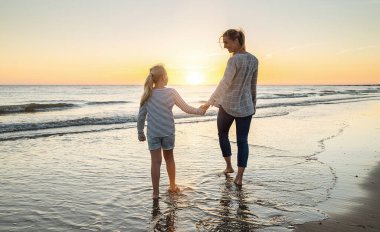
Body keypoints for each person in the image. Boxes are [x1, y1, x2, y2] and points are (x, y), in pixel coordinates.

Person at [137, 64, 206, 199]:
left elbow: (141, 116)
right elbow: (186, 108)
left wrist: (140, 132)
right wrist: (200, 111)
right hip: (168, 132)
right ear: (163, 77)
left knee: (155, 162)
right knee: (169, 159)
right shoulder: (171, 92)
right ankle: (172, 186)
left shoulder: (148, 94)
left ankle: (155, 193)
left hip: (153, 134)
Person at [201, 29, 259, 186]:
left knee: (222, 134)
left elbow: (224, 83)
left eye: (226, 42)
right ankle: (239, 178)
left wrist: (209, 102)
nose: (225, 46)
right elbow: (252, 86)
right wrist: (253, 105)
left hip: (227, 105)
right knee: (243, 141)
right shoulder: (254, 60)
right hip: (246, 106)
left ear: (236, 41)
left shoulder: (233, 61)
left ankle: (229, 167)